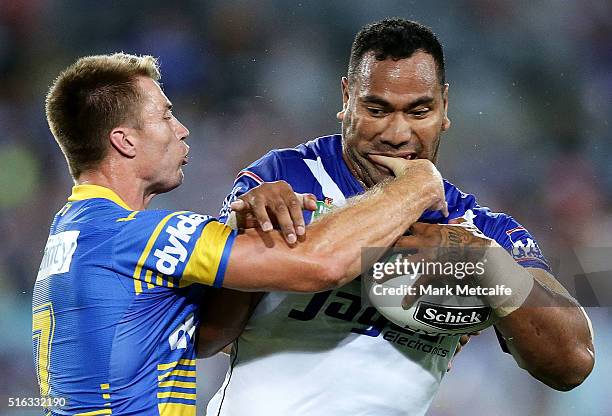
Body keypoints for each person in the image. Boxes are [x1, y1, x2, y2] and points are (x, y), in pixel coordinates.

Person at [207, 18, 595, 416]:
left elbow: (573, 363)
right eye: (376, 109)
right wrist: (246, 245)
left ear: (445, 107)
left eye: (419, 111)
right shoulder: (285, 178)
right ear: (346, 99)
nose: (397, 133)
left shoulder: (480, 230)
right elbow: (205, 338)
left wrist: (487, 264)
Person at [33, 52, 451, 415]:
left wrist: (248, 225)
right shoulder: (140, 237)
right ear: (124, 141)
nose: (181, 129)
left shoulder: (73, 231)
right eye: (164, 115)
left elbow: (210, 338)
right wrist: (414, 188)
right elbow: (322, 265)